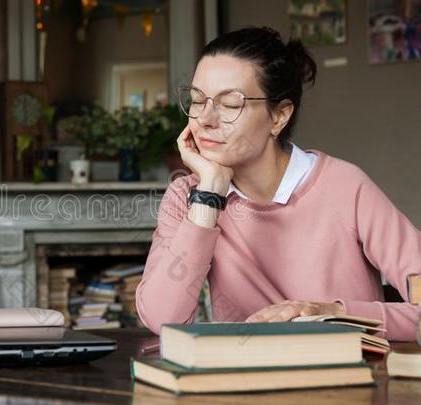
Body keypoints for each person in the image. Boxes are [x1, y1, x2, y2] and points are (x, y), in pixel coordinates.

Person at [136, 26, 421, 341]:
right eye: (196, 100)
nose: (205, 118)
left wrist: (335, 314)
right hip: (243, 382)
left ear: (279, 116)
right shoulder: (189, 196)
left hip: (349, 380)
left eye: (230, 105)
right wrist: (208, 197)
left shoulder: (344, 186)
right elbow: (162, 318)